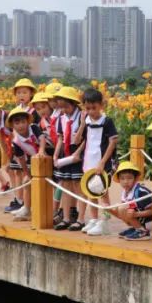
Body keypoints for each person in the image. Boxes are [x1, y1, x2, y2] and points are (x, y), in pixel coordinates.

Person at [69, 87, 119, 236]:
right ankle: (95, 219)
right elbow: (76, 140)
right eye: (88, 108)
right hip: (88, 161)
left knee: (102, 192)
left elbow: (112, 142)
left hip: (101, 161)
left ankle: (105, 221)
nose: (91, 111)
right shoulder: (87, 120)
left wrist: (103, 162)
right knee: (91, 190)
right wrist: (83, 123)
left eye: (94, 108)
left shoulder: (107, 121)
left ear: (101, 105)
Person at [4, 78, 40, 214]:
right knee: (18, 173)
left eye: (24, 92)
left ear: (31, 94)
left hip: (32, 151)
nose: (21, 96)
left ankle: (30, 204)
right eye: (18, 93)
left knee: (30, 177)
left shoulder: (34, 112)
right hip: (18, 149)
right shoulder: (16, 110)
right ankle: (20, 201)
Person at [52, 87, 85, 230]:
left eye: (66, 106)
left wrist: (78, 153)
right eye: (61, 107)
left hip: (77, 152)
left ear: (73, 103)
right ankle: (66, 218)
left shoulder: (82, 116)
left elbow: (86, 138)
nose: (64, 110)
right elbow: (60, 138)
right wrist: (55, 154)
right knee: (65, 185)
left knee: (78, 186)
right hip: (65, 153)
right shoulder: (61, 118)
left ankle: (81, 218)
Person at [6, 106, 43, 221]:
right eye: (17, 123)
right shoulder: (16, 141)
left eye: (23, 122)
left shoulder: (34, 128)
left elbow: (42, 139)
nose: (21, 125)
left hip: (47, 156)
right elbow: (21, 159)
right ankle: (27, 208)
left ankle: (52, 210)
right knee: (26, 182)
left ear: (28, 122)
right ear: (12, 125)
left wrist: (41, 151)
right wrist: (27, 173)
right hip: (34, 161)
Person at [111, 161, 152, 240]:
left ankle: (142, 231)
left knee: (122, 208)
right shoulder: (125, 192)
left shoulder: (141, 192)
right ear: (119, 180)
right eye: (122, 178)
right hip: (139, 218)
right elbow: (123, 213)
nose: (125, 181)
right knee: (115, 208)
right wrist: (109, 210)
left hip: (150, 222)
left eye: (129, 178)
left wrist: (136, 214)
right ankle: (136, 228)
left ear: (135, 178)